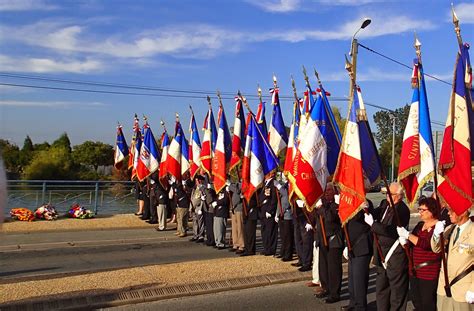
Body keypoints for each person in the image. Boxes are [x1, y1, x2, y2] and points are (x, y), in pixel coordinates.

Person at [364, 182, 410, 311]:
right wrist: (366, 206)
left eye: (391, 194)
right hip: (380, 253)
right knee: (382, 289)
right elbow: (375, 213)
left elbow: (391, 231)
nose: (388, 196)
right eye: (387, 194)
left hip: (394, 255)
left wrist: (373, 225)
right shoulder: (385, 204)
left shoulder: (402, 210)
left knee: (397, 292)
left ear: (399, 196)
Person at [396, 197, 441, 311]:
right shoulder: (420, 225)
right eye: (419, 209)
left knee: (428, 303)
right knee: (417, 302)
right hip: (415, 270)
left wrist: (408, 235)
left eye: (422, 210)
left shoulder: (438, 227)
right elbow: (412, 244)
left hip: (428, 272)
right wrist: (405, 243)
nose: (419, 212)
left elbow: (427, 244)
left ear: (432, 211)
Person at [431, 206, 473, 310]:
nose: (448, 213)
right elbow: (436, 249)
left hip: (463, 290)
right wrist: (436, 234)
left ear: (463, 212)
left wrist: (473, 288)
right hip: (444, 287)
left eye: (451, 210)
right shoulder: (449, 229)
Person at [341, 198, 374, 311]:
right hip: (351, 246)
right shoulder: (349, 203)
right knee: (352, 279)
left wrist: (361, 207)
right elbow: (346, 225)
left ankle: (360, 306)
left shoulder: (366, 203)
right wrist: (346, 243)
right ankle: (353, 303)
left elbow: (358, 217)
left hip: (362, 246)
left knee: (359, 279)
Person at [315, 183, 344, 304]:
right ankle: (326, 288)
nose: (326, 193)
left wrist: (320, 207)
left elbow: (330, 217)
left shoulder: (336, 205)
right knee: (323, 267)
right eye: (325, 191)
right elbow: (316, 219)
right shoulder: (323, 204)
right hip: (323, 239)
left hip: (333, 240)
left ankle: (335, 293)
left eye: (329, 190)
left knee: (334, 268)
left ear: (334, 192)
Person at [259, 174, 278, 256]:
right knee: (264, 231)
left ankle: (271, 249)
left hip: (268, 211)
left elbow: (274, 199)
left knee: (271, 231)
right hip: (263, 211)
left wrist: (270, 211)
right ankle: (266, 248)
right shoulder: (265, 184)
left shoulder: (273, 183)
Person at [275, 178, 294, 262]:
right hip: (281, 214)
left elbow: (286, 196)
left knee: (288, 236)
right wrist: (277, 213)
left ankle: (288, 254)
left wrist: (279, 187)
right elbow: (279, 201)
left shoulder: (290, 185)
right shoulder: (284, 185)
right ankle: (283, 251)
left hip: (287, 214)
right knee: (283, 236)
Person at [228, 181, 245, 254]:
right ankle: (235, 244)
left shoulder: (242, 183)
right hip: (233, 208)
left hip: (239, 207)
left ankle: (241, 245)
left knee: (240, 227)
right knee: (234, 227)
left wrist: (230, 186)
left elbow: (237, 191)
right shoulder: (236, 184)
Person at [189, 175, 205, 242]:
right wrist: (190, 208)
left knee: (200, 223)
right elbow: (192, 198)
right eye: (196, 180)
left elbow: (203, 199)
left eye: (198, 180)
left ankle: (201, 236)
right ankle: (195, 235)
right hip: (193, 207)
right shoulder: (194, 188)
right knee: (195, 222)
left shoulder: (203, 188)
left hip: (199, 208)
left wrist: (201, 208)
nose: (197, 182)